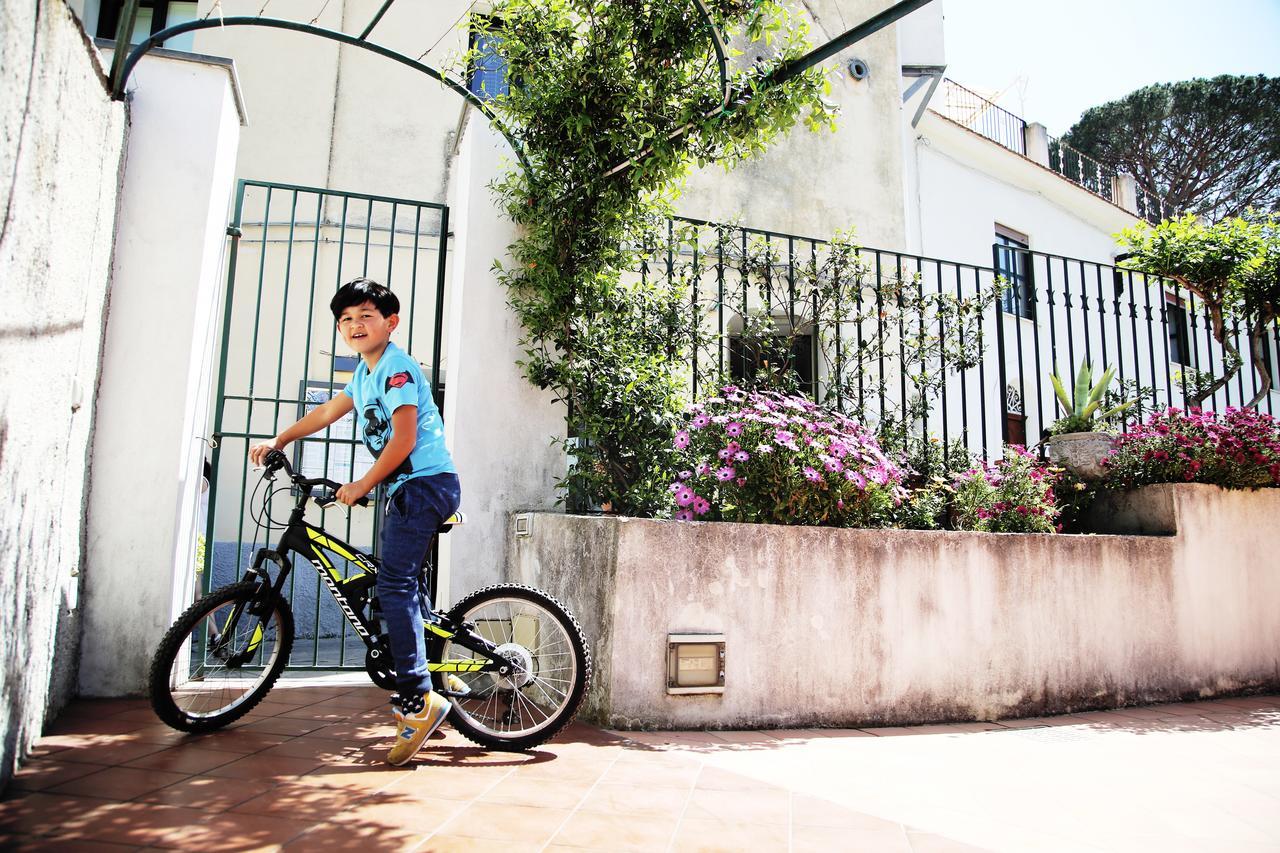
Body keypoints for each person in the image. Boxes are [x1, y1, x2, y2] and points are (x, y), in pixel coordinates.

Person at [249, 277, 460, 766]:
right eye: (345, 319)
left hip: (427, 484)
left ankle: (417, 700)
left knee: (394, 587)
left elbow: (404, 439)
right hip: (408, 489)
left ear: (391, 322)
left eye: (365, 315)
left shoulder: (397, 368)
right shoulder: (364, 375)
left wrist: (362, 484)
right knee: (397, 584)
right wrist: (280, 440)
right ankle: (433, 662)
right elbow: (327, 411)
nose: (354, 325)